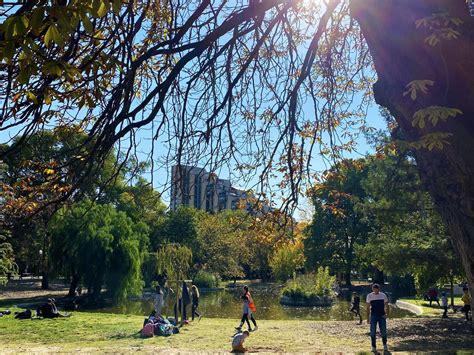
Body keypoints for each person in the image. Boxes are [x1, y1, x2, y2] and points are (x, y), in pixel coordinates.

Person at [366, 283, 389, 353]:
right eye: (374, 289)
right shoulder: (369, 296)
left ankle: (385, 345)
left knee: (383, 332)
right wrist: (367, 318)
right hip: (373, 316)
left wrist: (387, 314)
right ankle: (373, 347)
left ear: (379, 289)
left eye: (377, 289)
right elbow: (368, 308)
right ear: (372, 289)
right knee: (373, 332)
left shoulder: (383, 295)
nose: (376, 291)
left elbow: (387, 305)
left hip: (382, 315)